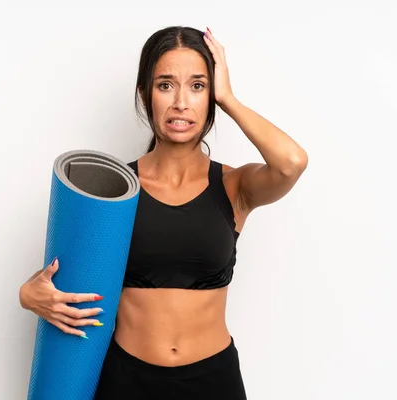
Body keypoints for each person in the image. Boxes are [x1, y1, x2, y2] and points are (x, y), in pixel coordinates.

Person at [19, 25, 308, 399]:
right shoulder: (114, 192)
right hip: (126, 380)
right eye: (166, 85)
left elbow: (292, 162)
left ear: (211, 98)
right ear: (145, 94)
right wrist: (29, 295)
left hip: (212, 381)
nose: (181, 102)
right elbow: (63, 276)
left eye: (198, 86)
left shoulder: (236, 187)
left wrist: (230, 98)